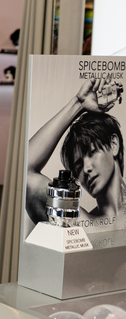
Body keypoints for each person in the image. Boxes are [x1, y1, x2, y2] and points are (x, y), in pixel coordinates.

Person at [26, 79, 126, 228]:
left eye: (92, 152)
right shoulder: (82, 226)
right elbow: (25, 173)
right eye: (78, 167)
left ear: (113, 145)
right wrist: (78, 104)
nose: (86, 169)